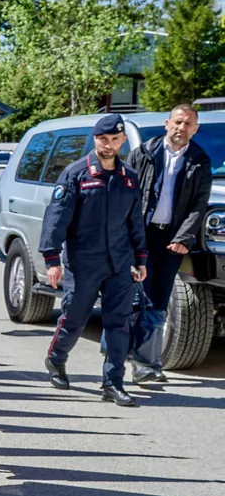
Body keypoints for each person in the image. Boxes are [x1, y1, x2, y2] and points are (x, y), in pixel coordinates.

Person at [40, 114, 148, 406]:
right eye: (103, 139)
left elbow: (135, 222)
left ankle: (113, 383)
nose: (108, 145)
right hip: (83, 262)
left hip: (120, 263)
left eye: (114, 140)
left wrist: (141, 258)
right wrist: (52, 259)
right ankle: (56, 359)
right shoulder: (77, 174)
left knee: (119, 323)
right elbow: (56, 219)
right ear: (95, 139)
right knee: (74, 319)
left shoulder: (129, 178)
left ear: (123, 141)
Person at [125, 104, 213, 383]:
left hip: (172, 241)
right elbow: (124, 198)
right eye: (177, 122)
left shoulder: (200, 160)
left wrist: (184, 237)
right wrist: (127, 237)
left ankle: (148, 363)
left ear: (195, 129)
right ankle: (130, 359)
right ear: (167, 123)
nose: (181, 128)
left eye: (188, 124)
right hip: (141, 236)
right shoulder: (143, 154)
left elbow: (199, 205)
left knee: (159, 301)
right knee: (138, 298)